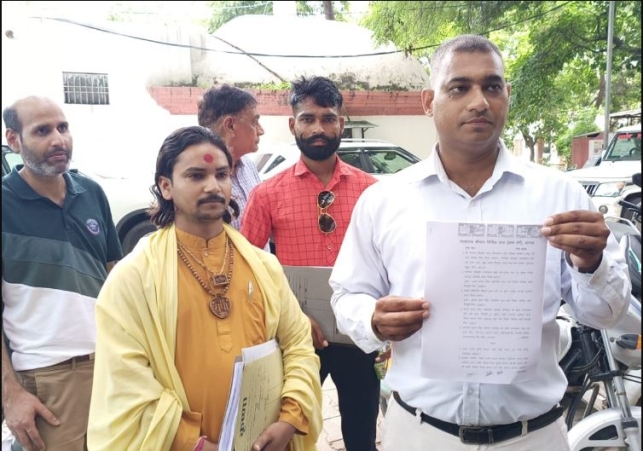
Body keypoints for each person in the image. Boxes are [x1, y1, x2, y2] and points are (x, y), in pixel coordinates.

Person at [329, 34, 631, 451]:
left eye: (492, 86)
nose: (479, 101)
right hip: (419, 434)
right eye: (459, 87)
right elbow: (347, 294)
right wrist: (373, 320)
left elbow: (606, 314)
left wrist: (592, 262)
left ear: (507, 94)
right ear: (428, 101)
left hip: (533, 436)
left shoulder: (560, 198)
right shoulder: (384, 200)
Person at [87, 125, 322, 451]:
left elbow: (298, 345)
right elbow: (125, 380)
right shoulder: (134, 277)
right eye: (196, 176)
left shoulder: (263, 266)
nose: (213, 186)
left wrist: (290, 418)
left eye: (222, 174)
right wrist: (194, 445)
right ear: (166, 186)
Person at [241, 76, 380, 451]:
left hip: (358, 337)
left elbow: (388, 262)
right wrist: (295, 319)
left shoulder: (371, 191)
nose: (318, 128)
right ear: (292, 125)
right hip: (298, 337)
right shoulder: (267, 193)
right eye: (307, 118)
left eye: (327, 118)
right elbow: (246, 269)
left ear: (341, 123)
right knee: (289, 433)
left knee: (362, 435)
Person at [1, 96, 123, 451]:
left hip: (110, 368)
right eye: (42, 131)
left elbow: (113, 277)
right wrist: (11, 394)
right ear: (14, 139)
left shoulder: (92, 193)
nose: (59, 140)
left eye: (63, 127)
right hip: (47, 380)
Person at [197, 84, 265, 232]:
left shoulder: (248, 166)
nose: (261, 131)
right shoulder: (198, 180)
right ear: (230, 125)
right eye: (254, 122)